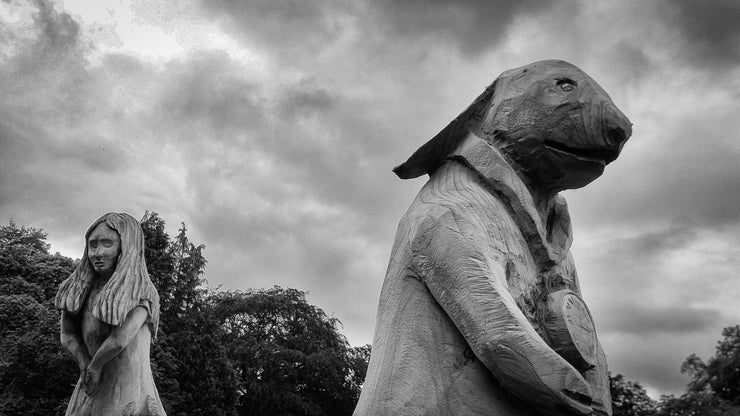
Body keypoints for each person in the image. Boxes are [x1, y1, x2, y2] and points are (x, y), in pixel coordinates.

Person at [55, 212, 166, 416]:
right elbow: (68, 335)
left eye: (107, 244)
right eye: (93, 244)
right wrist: (84, 364)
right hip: (90, 384)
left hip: (126, 389)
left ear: (126, 246)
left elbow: (120, 339)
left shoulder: (141, 291)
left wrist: (95, 367)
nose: (98, 252)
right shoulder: (78, 289)